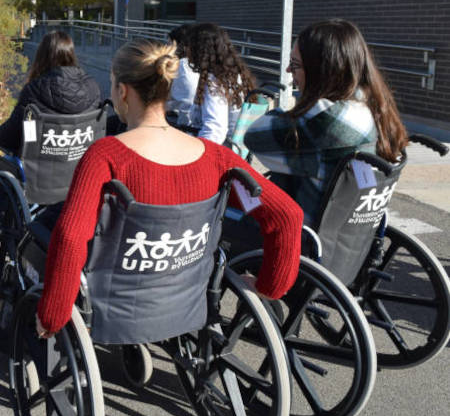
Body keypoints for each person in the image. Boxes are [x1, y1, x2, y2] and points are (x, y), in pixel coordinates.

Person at [34, 38, 303, 338]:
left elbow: (70, 238)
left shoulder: (105, 156)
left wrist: (52, 315)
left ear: (122, 91)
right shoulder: (218, 159)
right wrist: (270, 286)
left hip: (116, 306)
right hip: (186, 302)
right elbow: (287, 215)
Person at [243, 19, 407, 225]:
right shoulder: (374, 107)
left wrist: (298, 108)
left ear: (322, 70)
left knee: (238, 196)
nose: (287, 70)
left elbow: (253, 136)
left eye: (294, 64)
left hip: (302, 235)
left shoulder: (326, 119)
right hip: (347, 237)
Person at [0, 31, 101, 153]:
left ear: (42, 57)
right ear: (71, 54)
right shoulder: (93, 87)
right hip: (81, 167)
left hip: (38, 170)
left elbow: (7, 139)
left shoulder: (33, 91)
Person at [177, 23, 256, 143]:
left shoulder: (214, 82)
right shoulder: (234, 75)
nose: (186, 50)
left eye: (188, 45)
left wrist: (196, 156)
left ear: (199, 49)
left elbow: (214, 130)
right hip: (231, 147)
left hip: (216, 150)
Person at [165, 23, 200, 130]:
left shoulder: (182, 66)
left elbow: (186, 102)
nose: (166, 47)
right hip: (194, 123)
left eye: (169, 43)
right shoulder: (197, 64)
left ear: (178, 45)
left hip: (186, 126)